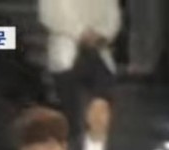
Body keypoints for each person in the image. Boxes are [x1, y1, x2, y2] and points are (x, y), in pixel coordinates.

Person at [39, 0, 121, 138]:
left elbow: (112, 17)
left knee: (101, 104)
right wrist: (81, 33)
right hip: (67, 50)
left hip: (98, 51)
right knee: (73, 117)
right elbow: (51, 15)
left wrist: (101, 33)